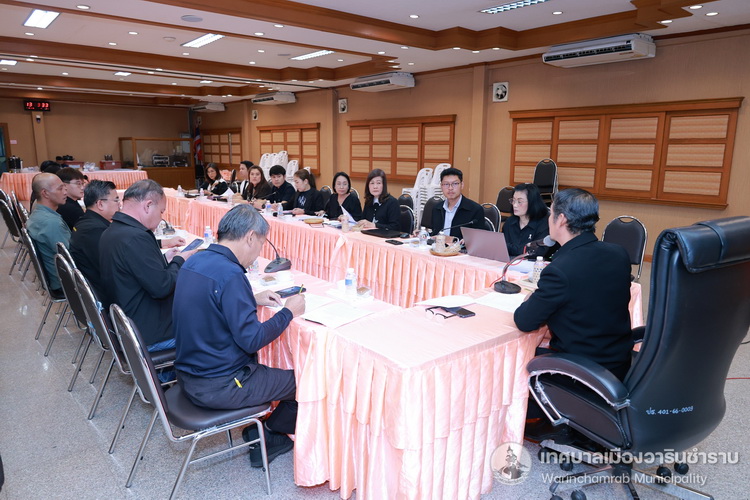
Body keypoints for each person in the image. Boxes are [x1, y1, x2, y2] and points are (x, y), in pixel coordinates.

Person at [173, 204, 306, 467]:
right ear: (250, 237)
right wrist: (288, 312)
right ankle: (271, 434)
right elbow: (252, 340)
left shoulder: (197, 259)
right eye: (261, 244)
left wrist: (249, 298)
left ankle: (261, 427)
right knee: (306, 382)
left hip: (189, 376)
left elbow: (207, 303)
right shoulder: (231, 273)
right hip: (220, 384)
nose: (258, 254)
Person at [514, 189, 632, 440]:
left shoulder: (561, 269)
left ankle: (533, 418)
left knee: (512, 358)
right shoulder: (618, 253)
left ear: (562, 219)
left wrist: (531, 298)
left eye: (551, 214)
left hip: (580, 371)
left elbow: (524, 321)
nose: (548, 219)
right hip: (618, 361)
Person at [99, 180, 198, 351]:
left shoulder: (112, 231)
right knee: (214, 324)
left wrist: (164, 259)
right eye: (161, 211)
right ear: (148, 205)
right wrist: (179, 260)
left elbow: (135, 270)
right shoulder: (136, 237)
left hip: (127, 324)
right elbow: (162, 287)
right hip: (148, 332)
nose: (161, 218)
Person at [69, 180, 119, 299]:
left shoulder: (87, 221)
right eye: (116, 200)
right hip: (104, 296)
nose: (119, 205)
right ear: (100, 204)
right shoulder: (95, 230)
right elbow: (112, 270)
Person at [26, 173, 70, 293]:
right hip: (65, 282)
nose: (65, 192)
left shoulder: (37, 213)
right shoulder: (51, 223)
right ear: (45, 193)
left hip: (56, 277)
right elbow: (71, 258)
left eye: (65, 187)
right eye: (60, 188)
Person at [429, 167, 484, 239]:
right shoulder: (437, 208)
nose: (450, 188)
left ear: (462, 185)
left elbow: (479, 239)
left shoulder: (475, 209)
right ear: (441, 186)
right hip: (438, 246)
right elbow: (434, 233)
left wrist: (453, 240)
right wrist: (423, 235)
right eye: (446, 184)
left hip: (459, 246)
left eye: (455, 184)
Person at [502, 183, 550, 257]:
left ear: (532, 203)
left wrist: (511, 248)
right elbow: (501, 246)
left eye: (519, 202)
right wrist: (522, 249)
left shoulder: (544, 224)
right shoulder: (509, 222)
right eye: (513, 200)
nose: (515, 205)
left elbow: (537, 252)